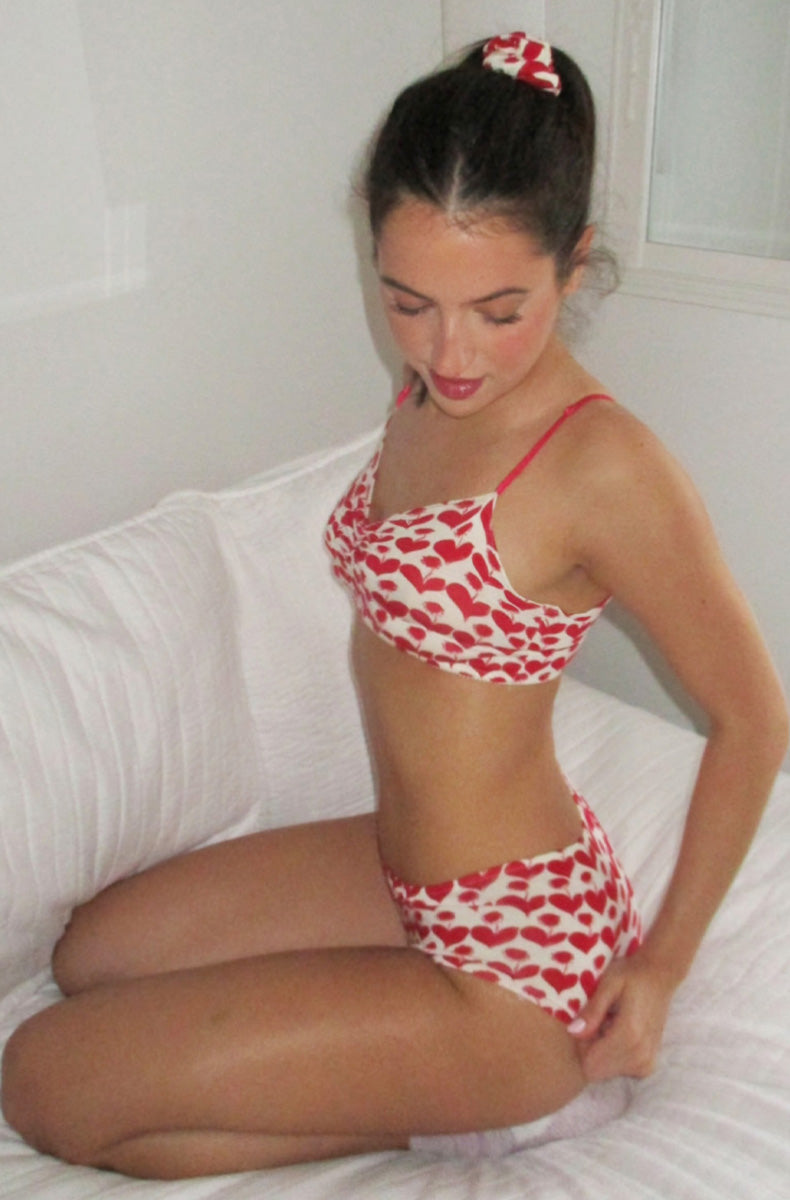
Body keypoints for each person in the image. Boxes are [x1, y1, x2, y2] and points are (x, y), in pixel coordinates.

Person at [2, 33, 787, 1179]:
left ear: (574, 267)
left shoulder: (604, 467)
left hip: (517, 963)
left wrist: (661, 969)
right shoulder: (425, 389)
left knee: (44, 1080)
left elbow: (754, 718)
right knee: (90, 954)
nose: (449, 351)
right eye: (408, 300)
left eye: (500, 310)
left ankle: (496, 1108)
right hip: (397, 865)